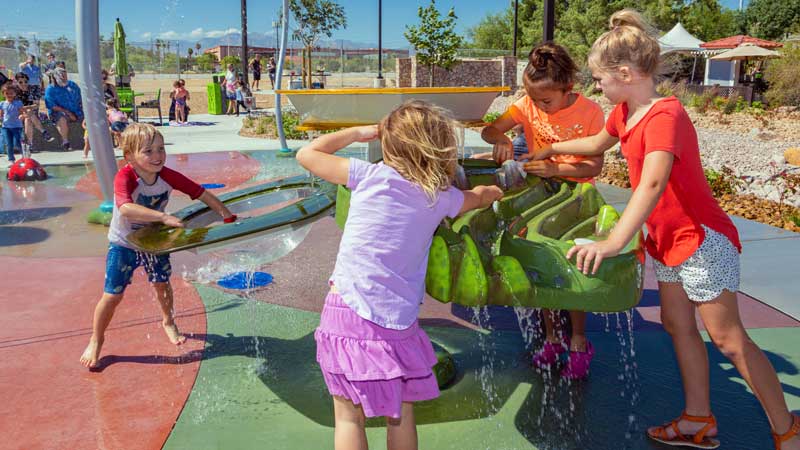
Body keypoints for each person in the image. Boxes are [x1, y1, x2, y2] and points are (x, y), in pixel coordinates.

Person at [527, 9, 800, 450]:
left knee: (728, 339)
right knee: (676, 323)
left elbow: (653, 183)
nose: (597, 87)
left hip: (700, 240)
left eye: (600, 79)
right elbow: (598, 144)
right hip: (669, 242)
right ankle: (697, 419)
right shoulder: (626, 112)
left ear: (625, 73)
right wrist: (550, 148)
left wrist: (615, 241)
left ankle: (786, 428)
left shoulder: (664, 116)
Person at [296, 101, 503, 450]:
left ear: (389, 145)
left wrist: (363, 132)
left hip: (347, 310)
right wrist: (494, 191)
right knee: (400, 414)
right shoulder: (439, 197)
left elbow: (307, 153)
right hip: (398, 321)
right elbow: (476, 197)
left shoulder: (367, 175)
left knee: (348, 417)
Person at [486, 42, 605, 380]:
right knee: (540, 265)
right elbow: (489, 128)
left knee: (574, 271)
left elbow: (592, 165)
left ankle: (579, 340)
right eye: (534, 100)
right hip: (540, 195)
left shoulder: (591, 112)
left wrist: (557, 170)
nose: (538, 106)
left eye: (546, 101)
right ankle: (552, 337)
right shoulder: (527, 104)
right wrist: (501, 138)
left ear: (569, 88)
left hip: (579, 197)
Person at [79, 123, 236, 369]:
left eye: (161, 149)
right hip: (125, 243)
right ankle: (96, 339)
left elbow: (201, 194)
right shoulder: (126, 176)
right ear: (129, 156)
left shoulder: (166, 175)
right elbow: (125, 207)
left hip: (153, 240)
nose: (157, 156)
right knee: (112, 296)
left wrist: (226, 214)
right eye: (148, 151)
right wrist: (163, 217)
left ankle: (168, 321)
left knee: (162, 283)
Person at [13, 72, 55, 153]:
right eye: (20, 82)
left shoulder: (34, 89)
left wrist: (25, 108)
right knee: (28, 114)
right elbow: (16, 108)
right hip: (19, 115)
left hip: (33, 114)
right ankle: (43, 132)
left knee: (28, 117)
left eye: (25, 81)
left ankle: (30, 145)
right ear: (17, 82)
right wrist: (25, 109)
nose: (23, 84)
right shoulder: (14, 91)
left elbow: (36, 105)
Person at [44, 67, 83, 151]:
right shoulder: (50, 89)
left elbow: (80, 98)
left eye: (65, 76)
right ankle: (65, 142)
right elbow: (52, 106)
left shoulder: (72, 85)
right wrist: (68, 112)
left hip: (76, 111)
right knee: (62, 118)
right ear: (56, 77)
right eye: (62, 77)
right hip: (59, 112)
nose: (65, 79)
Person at [1, 83, 25, 165]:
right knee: (9, 144)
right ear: (3, 94)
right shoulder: (2, 104)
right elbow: (1, 114)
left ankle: (24, 156)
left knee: (18, 142)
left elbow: (22, 112)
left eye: (11, 93)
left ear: (15, 93)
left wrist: (22, 116)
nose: (9, 95)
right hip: (6, 127)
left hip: (16, 126)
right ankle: (11, 160)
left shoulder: (18, 103)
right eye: (7, 93)